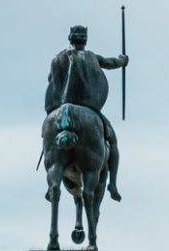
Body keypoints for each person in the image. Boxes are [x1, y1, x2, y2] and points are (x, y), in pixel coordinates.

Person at [45, 25, 129, 201]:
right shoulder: (91, 57)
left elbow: (51, 81)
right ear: (85, 39)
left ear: (70, 38)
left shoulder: (57, 59)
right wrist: (122, 61)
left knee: (48, 138)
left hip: (60, 109)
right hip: (89, 107)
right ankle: (112, 184)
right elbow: (110, 63)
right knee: (112, 141)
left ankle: (52, 181)